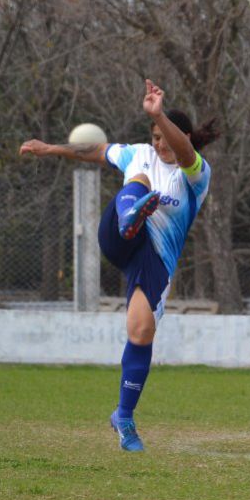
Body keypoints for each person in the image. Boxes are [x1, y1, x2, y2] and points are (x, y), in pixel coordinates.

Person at [20, 79, 219, 452]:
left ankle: (123, 418)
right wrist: (51, 148)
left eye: (164, 136)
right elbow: (94, 149)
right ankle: (131, 212)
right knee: (139, 176)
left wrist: (159, 113)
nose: (159, 143)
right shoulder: (140, 154)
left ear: (183, 136)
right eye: (154, 135)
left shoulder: (196, 174)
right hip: (118, 234)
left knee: (141, 332)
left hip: (154, 259)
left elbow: (185, 153)